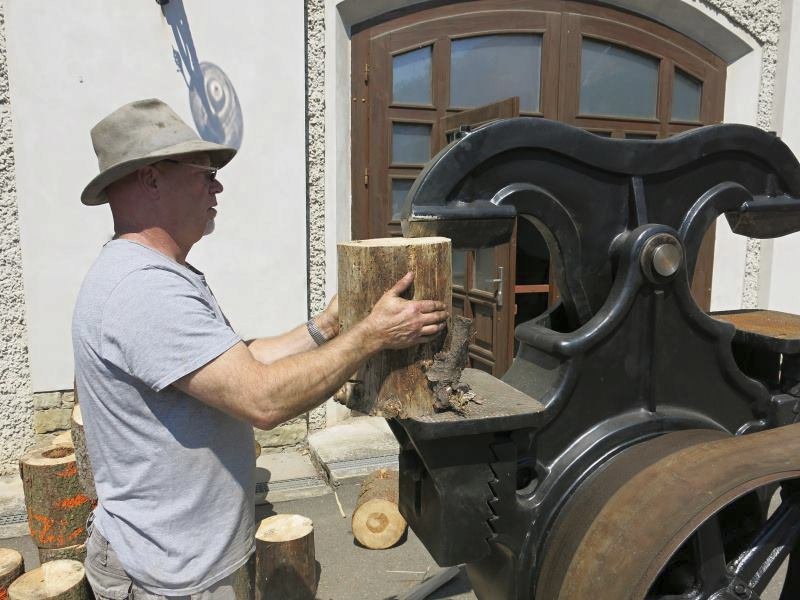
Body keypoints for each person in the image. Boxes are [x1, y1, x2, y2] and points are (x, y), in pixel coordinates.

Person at [72, 98, 448, 599]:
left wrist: (329, 325)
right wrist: (371, 336)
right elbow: (261, 400)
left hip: (180, 561)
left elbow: (234, 363)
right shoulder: (143, 290)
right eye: (204, 173)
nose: (217, 185)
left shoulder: (151, 275)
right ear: (151, 179)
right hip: (170, 578)